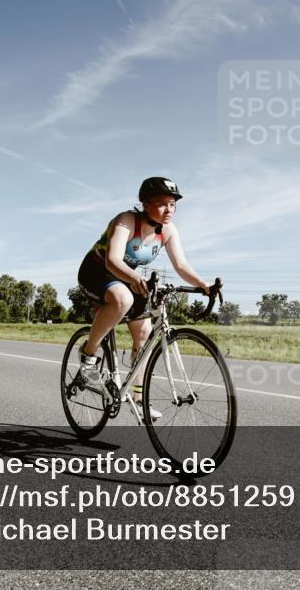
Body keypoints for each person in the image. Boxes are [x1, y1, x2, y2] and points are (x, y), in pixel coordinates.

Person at [76, 177, 210, 419]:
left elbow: (180, 265)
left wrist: (203, 284)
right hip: (96, 270)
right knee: (123, 300)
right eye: (162, 203)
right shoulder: (126, 221)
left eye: (172, 204)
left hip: (127, 277)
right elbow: (112, 260)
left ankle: (138, 399)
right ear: (145, 204)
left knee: (144, 333)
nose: (169, 209)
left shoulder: (168, 231)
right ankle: (88, 354)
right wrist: (135, 278)